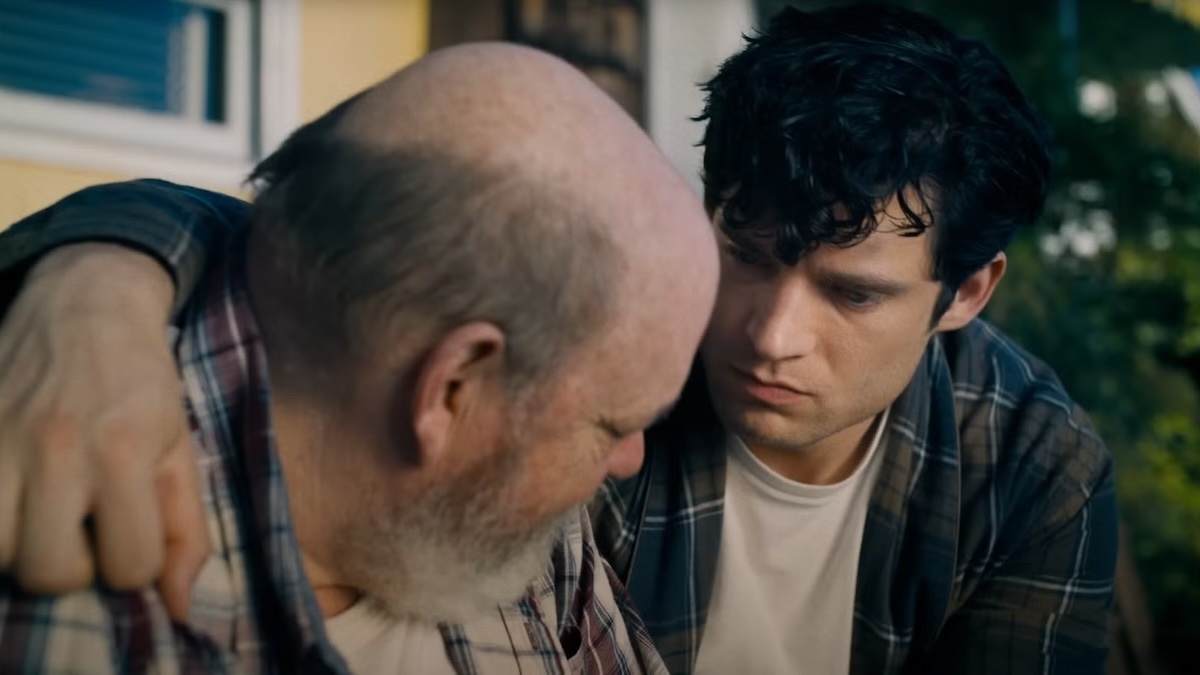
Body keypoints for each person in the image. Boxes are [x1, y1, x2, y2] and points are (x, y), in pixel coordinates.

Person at [0, 5, 1118, 675]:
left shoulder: (1033, 470)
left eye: (854, 295)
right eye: (744, 252)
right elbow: (337, 231)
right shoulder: (608, 348)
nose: (770, 335)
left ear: (967, 292)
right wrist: (99, 278)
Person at [0, 42, 719, 674]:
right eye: (612, 423)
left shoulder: (528, 523)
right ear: (452, 388)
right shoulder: (64, 563)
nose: (630, 459)